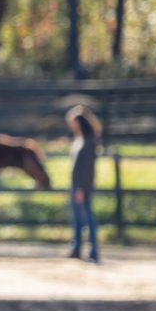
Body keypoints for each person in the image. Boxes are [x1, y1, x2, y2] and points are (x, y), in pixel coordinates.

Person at [66, 104, 102, 263]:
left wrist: (81, 188)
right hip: (76, 185)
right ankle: (77, 247)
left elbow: (87, 169)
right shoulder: (80, 140)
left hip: (82, 186)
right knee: (77, 219)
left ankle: (94, 250)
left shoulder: (89, 142)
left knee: (88, 219)